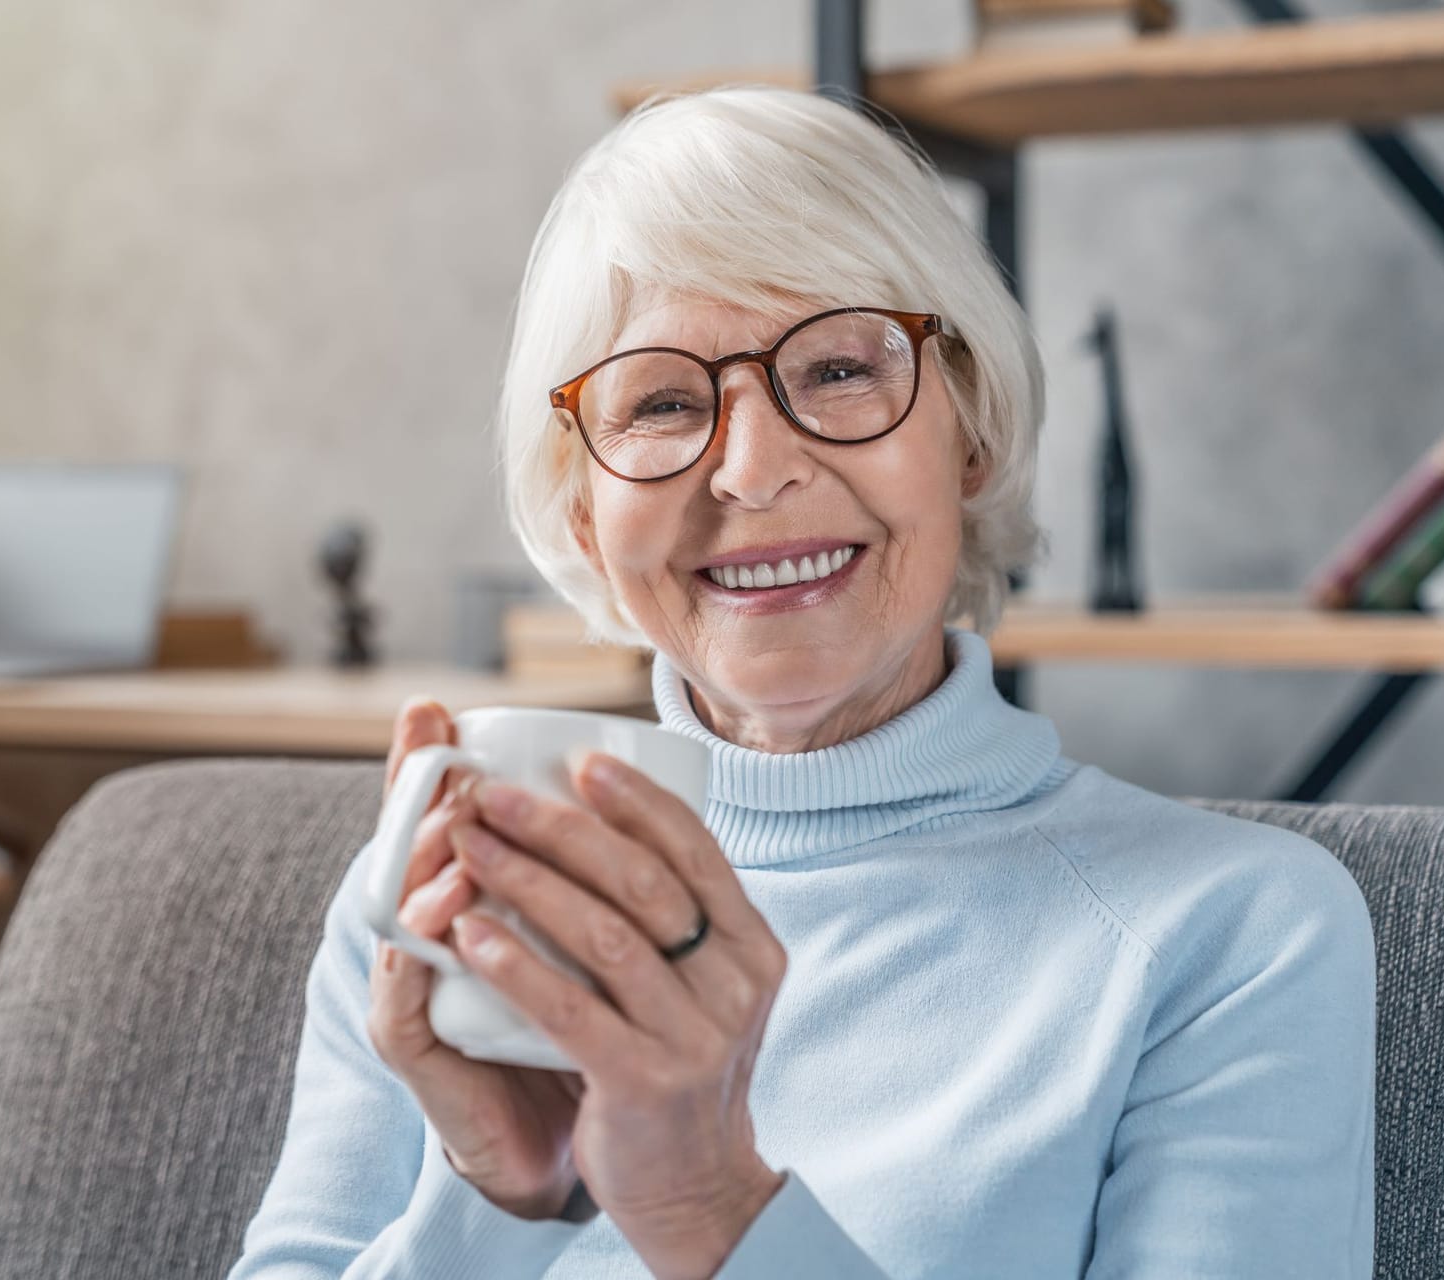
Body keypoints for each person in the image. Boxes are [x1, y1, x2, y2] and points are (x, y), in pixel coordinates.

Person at [228, 86, 1376, 1278]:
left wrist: (712, 1204)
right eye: (665, 400)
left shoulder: (1241, 932)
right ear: (583, 502)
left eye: (835, 368)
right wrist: (496, 1204)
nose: (755, 469)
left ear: (969, 429)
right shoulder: (444, 896)